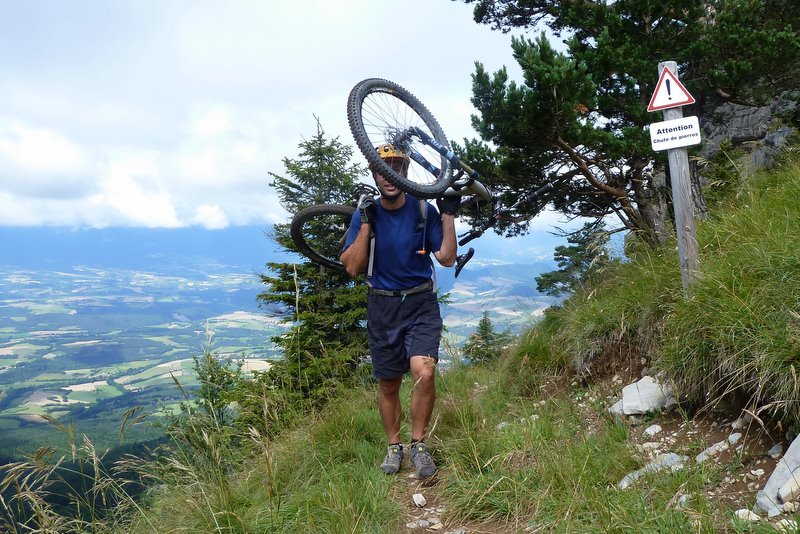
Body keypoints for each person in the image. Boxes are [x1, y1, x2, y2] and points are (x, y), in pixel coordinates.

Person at [340, 143, 460, 478]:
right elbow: (351, 267)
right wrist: (365, 223)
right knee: (389, 384)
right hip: (383, 305)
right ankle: (394, 447)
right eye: (382, 168)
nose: (389, 174)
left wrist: (448, 214)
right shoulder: (366, 214)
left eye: (396, 167)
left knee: (424, 371)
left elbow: (447, 257)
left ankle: (418, 444)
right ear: (374, 173)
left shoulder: (423, 211)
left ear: (406, 171)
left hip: (420, 302)